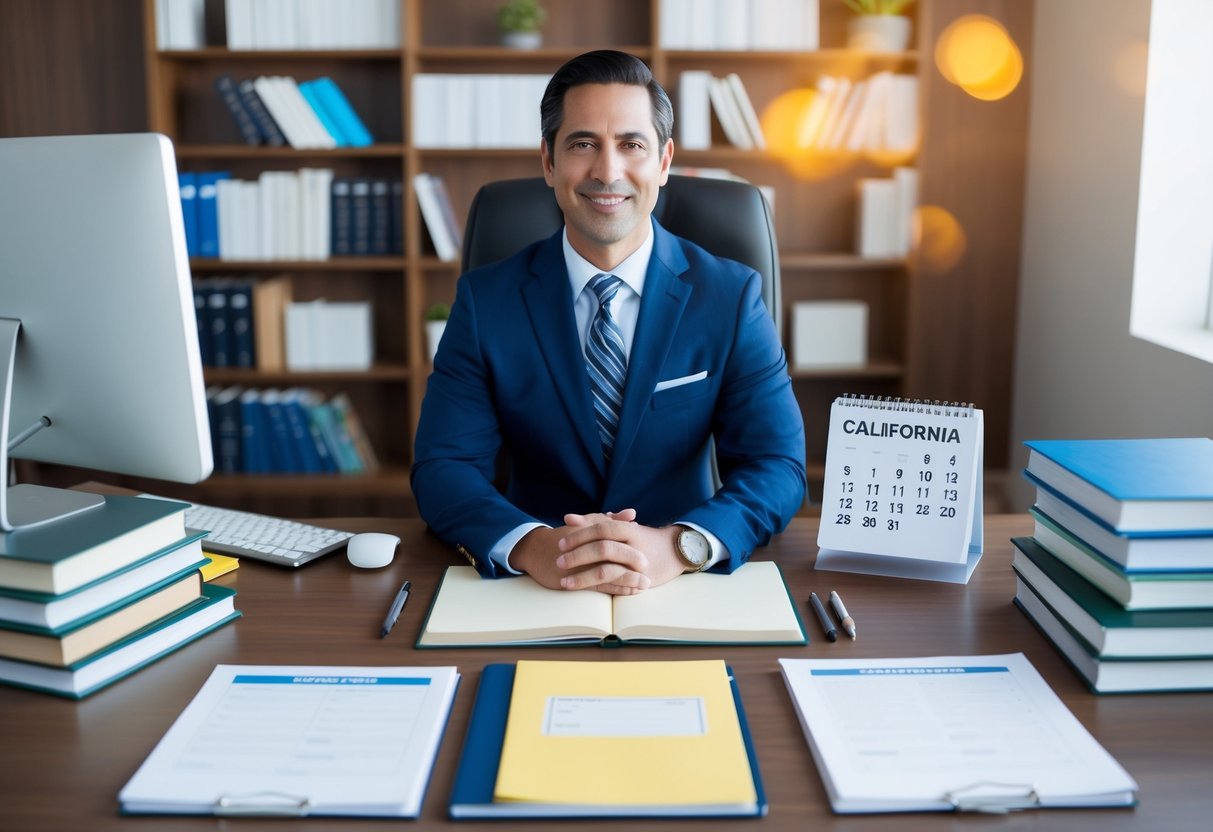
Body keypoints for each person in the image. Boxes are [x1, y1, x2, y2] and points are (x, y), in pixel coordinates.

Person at [411, 50, 805, 595]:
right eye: (583, 144)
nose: (607, 171)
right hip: (534, 586)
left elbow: (777, 465)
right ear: (549, 162)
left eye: (631, 144)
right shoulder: (486, 300)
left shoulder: (731, 296)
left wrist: (680, 545)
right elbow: (443, 466)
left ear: (663, 162)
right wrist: (530, 545)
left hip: (685, 583)